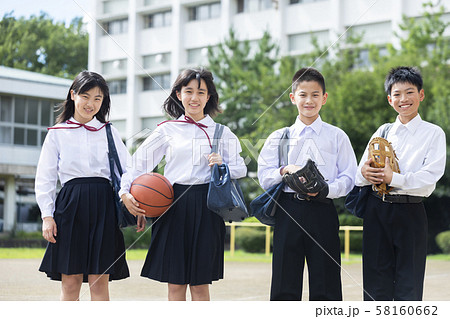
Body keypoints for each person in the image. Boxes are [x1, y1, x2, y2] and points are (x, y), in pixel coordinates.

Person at [120, 68, 247, 301]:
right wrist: (125, 192)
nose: (194, 97)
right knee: (175, 284)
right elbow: (137, 165)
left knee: (200, 286)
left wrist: (223, 165)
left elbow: (241, 168)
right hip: (171, 204)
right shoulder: (167, 130)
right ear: (178, 94)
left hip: (208, 205)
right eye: (188, 91)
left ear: (208, 97)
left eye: (201, 92)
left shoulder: (222, 132)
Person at [36, 70, 146, 301]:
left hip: (104, 206)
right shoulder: (57, 133)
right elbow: (45, 177)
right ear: (73, 95)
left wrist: (136, 203)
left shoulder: (109, 131)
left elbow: (129, 171)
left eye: (98, 98)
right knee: (71, 281)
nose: (91, 103)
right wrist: (47, 215)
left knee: (99, 281)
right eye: (86, 96)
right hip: (70, 206)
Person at [257, 67, 357, 300]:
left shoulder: (337, 136)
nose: (309, 100)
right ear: (293, 98)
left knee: (327, 285)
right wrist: (284, 170)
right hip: (288, 210)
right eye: (303, 94)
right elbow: (263, 175)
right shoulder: (280, 136)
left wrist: (326, 189)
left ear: (324, 98)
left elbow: (349, 177)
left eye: (315, 94)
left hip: (323, 211)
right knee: (284, 283)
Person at [355, 66, 446, 301]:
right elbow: (359, 175)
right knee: (375, 284)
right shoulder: (383, 131)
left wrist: (393, 178)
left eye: (409, 92)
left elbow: (430, 177)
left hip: (411, 211)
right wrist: (366, 172)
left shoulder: (433, 133)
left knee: (409, 283)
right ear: (389, 99)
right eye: (397, 94)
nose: (403, 99)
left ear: (421, 95)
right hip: (377, 209)